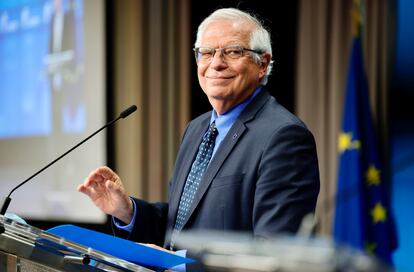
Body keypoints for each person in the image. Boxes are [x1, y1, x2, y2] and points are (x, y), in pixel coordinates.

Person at [78, 6, 319, 260]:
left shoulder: (284, 137)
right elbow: (181, 223)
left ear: (263, 64)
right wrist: (128, 210)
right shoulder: (196, 128)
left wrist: (183, 262)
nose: (216, 63)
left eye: (233, 51)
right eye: (206, 52)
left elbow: (274, 252)